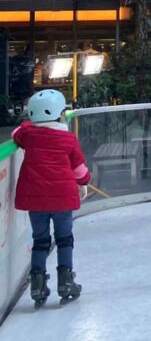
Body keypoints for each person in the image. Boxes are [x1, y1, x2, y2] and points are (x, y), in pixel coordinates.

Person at [13, 89, 90, 308]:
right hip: (62, 199)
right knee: (64, 238)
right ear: (59, 113)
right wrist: (84, 183)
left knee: (40, 240)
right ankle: (66, 281)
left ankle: (37, 284)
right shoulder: (68, 139)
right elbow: (80, 170)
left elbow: (16, 132)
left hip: (36, 201)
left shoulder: (28, 135)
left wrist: (29, 125)